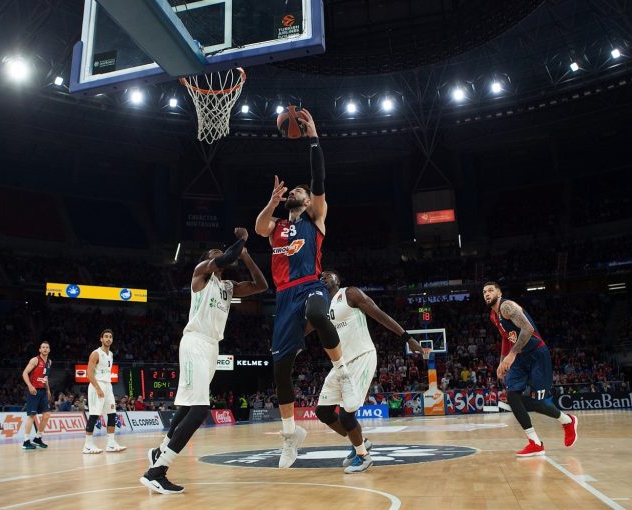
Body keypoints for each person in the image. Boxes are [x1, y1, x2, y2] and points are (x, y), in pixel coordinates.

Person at [254, 110, 357, 469]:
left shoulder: (317, 219)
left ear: (311, 201)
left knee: (318, 313)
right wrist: (272, 200)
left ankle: (342, 371)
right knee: (280, 369)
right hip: (283, 296)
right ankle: (289, 435)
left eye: (301, 191)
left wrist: (313, 138)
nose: (297, 191)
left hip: (310, 285)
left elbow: (319, 178)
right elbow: (259, 227)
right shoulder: (278, 226)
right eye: (294, 190)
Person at [140, 227, 268, 495]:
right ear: (207, 261)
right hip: (195, 341)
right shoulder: (200, 274)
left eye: (220, 253)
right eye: (213, 254)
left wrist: (246, 255)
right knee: (199, 411)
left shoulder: (228, 287)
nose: (218, 255)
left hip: (212, 347)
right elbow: (224, 258)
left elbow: (262, 285)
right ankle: (157, 471)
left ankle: (159, 451)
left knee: (188, 406)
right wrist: (242, 240)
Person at [317, 270, 426, 473]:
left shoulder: (349, 293)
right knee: (322, 412)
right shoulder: (320, 306)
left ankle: (364, 457)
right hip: (340, 363)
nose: (323, 277)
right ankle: (360, 442)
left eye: (328, 275)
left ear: (337, 280)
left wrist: (407, 338)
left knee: (346, 415)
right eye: (320, 275)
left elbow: (380, 315)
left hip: (362, 357)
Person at [482, 282, 578, 456]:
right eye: (484, 292)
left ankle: (567, 421)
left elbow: (528, 329)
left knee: (536, 402)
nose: (487, 294)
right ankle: (535, 442)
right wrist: (502, 361)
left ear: (499, 293)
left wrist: (512, 354)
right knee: (512, 396)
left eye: (490, 290)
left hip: (536, 355)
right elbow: (506, 337)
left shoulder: (507, 307)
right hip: (520, 357)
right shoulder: (493, 316)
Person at [82, 329, 126, 453]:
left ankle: (111, 444)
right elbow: (89, 374)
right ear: (101, 339)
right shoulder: (95, 353)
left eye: (110, 337)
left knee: (112, 414)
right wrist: (98, 388)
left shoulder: (110, 354)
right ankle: (87, 445)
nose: (108, 339)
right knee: (94, 414)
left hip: (108, 385)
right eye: (106, 336)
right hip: (97, 385)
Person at [21, 341, 52, 450]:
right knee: (32, 416)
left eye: (47, 347)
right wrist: (30, 386)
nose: (45, 349)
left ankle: (38, 438)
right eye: (43, 347)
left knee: (47, 415)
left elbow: (45, 377)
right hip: (34, 391)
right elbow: (24, 373)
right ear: (40, 349)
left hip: (43, 391)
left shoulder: (49, 362)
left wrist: (48, 389)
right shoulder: (35, 360)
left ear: (49, 350)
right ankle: (26, 441)